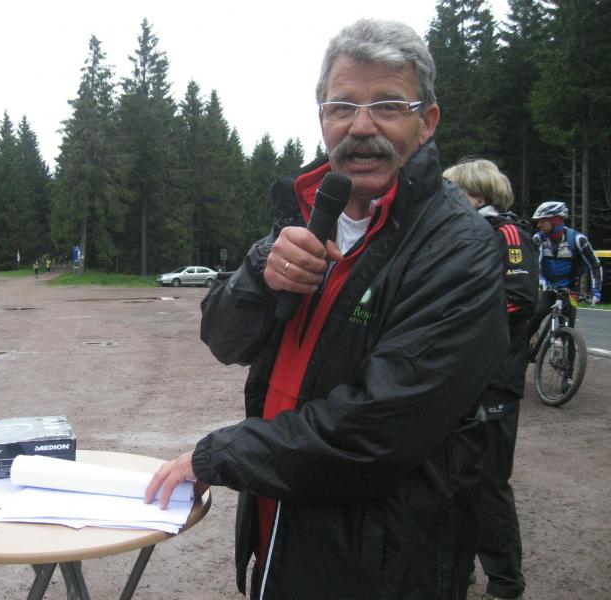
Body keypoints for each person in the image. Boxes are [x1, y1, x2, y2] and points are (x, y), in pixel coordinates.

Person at [146, 19, 507, 600]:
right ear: (322, 120)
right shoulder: (306, 215)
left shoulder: (457, 247)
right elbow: (224, 339)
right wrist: (261, 273)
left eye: (387, 105)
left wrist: (220, 455)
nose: (361, 126)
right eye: (343, 106)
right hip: (281, 528)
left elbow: (377, 430)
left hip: (384, 563)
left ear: (427, 121)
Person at [444, 159, 538, 600]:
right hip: (458, 376)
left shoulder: (507, 233)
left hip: (495, 376)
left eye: (454, 192)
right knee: (450, 476)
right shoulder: (459, 235)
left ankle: (505, 583)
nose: (446, 199)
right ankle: (457, 568)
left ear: (478, 195)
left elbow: (521, 297)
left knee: (486, 482)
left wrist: (457, 320)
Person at [525, 200, 602, 346]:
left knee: (569, 329)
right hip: (548, 287)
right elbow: (534, 263)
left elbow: (595, 265)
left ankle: (569, 359)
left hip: (570, 289)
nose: (538, 225)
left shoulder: (578, 240)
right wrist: (540, 278)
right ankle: (521, 349)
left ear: (555, 220)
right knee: (537, 314)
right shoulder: (538, 238)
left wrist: (596, 290)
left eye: (542, 221)